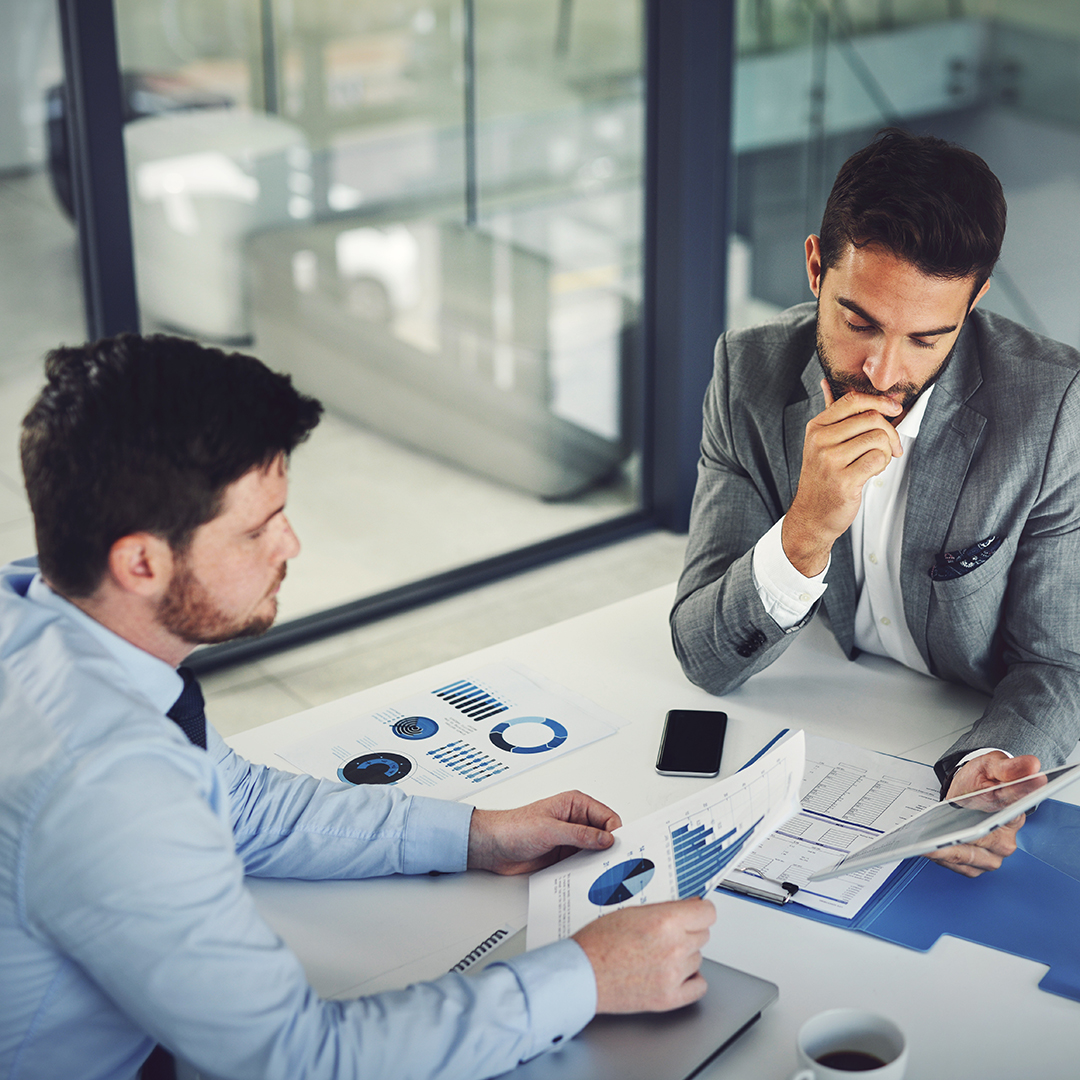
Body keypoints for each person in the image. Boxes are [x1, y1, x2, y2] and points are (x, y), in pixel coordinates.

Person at [0, 334, 714, 1080]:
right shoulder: (104, 782)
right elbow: (299, 1061)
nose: (292, 544)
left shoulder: (46, 613)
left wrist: (476, 834)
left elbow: (239, 805)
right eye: (255, 528)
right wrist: (589, 977)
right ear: (140, 562)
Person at [670, 128, 1080, 877]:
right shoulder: (746, 375)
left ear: (975, 300)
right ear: (815, 266)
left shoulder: (1053, 411)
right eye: (859, 321)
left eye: (926, 338)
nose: (883, 371)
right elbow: (704, 654)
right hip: (817, 725)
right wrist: (804, 533)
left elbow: (1060, 660)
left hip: (945, 731)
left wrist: (984, 762)